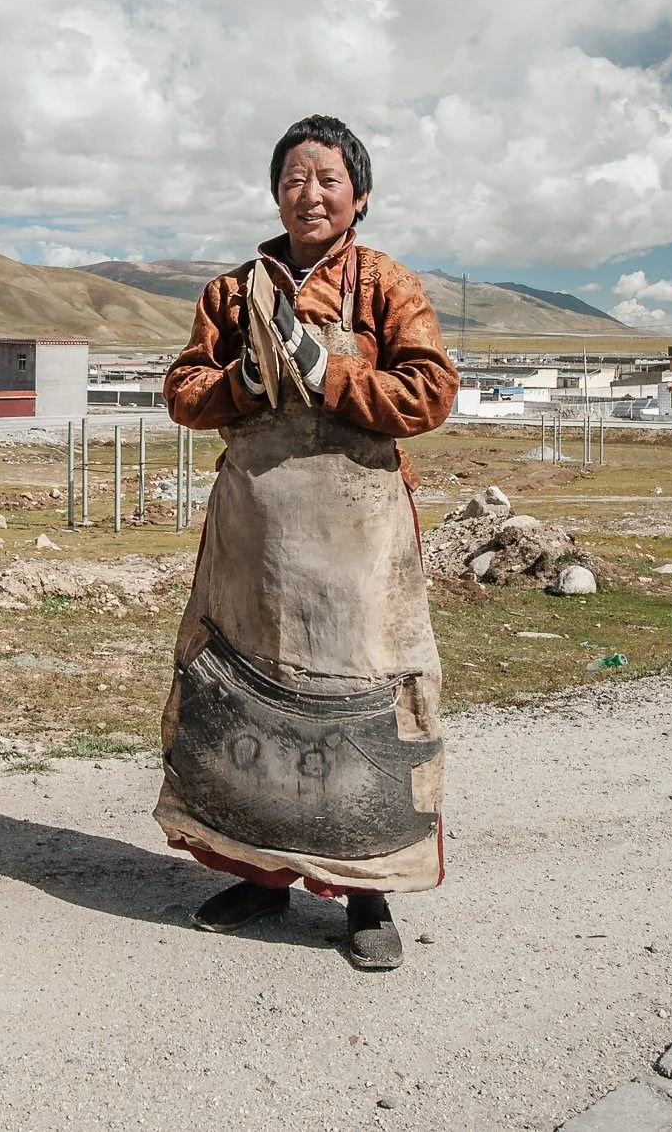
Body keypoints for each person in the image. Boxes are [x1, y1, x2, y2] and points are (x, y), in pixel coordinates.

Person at [156, 114, 457, 970]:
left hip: (357, 541)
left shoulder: (386, 286)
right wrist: (242, 383)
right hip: (253, 533)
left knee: (360, 692)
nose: (309, 192)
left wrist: (328, 374)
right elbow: (182, 390)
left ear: (358, 195)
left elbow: (431, 393)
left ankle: (367, 891)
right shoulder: (232, 291)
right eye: (294, 177)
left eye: (328, 178)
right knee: (246, 687)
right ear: (274, 191)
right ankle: (258, 873)